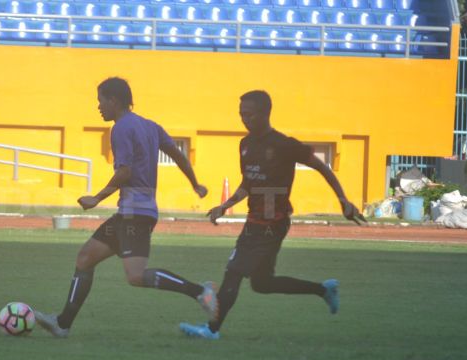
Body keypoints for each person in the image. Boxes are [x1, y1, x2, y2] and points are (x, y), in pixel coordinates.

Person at [34, 77, 215, 337]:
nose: (98, 107)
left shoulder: (120, 128)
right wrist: (195, 183)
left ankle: (200, 292)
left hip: (136, 214)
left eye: (101, 101)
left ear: (114, 100)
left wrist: (97, 198)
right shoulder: (150, 126)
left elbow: (126, 171)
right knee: (85, 258)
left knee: (136, 276)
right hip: (130, 213)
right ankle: (62, 324)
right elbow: (177, 153)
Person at [179, 90, 366, 340]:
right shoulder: (245, 144)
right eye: (241, 114)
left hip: (271, 222)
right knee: (262, 284)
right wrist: (225, 206)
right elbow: (248, 181)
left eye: (250, 114)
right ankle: (323, 290)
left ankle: (211, 330)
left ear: (265, 113)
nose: (244, 119)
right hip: (256, 219)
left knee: (233, 271)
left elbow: (322, 167)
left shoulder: (284, 144)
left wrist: (343, 199)